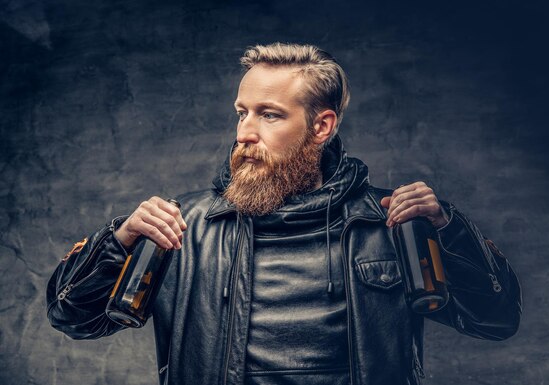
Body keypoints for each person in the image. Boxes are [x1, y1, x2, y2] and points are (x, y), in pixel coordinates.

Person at [47, 43, 522, 385]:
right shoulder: (180, 227)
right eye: (241, 112)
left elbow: (496, 319)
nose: (245, 133)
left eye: (269, 114)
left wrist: (448, 228)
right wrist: (120, 240)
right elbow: (73, 317)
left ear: (321, 125)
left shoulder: (392, 223)